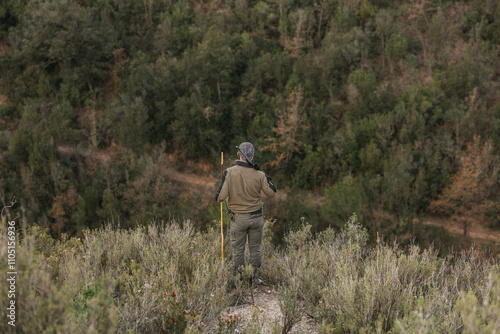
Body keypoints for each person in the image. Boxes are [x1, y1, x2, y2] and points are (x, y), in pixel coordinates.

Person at [215, 142, 276, 277]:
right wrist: (263, 174)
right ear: (252, 157)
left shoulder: (229, 172)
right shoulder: (259, 174)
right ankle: (253, 278)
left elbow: (220, 198)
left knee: (238, 251)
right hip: (256, 218)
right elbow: (272, 192)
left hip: (238, 219)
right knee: (255, 250)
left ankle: (240, 278)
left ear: (238, 155)